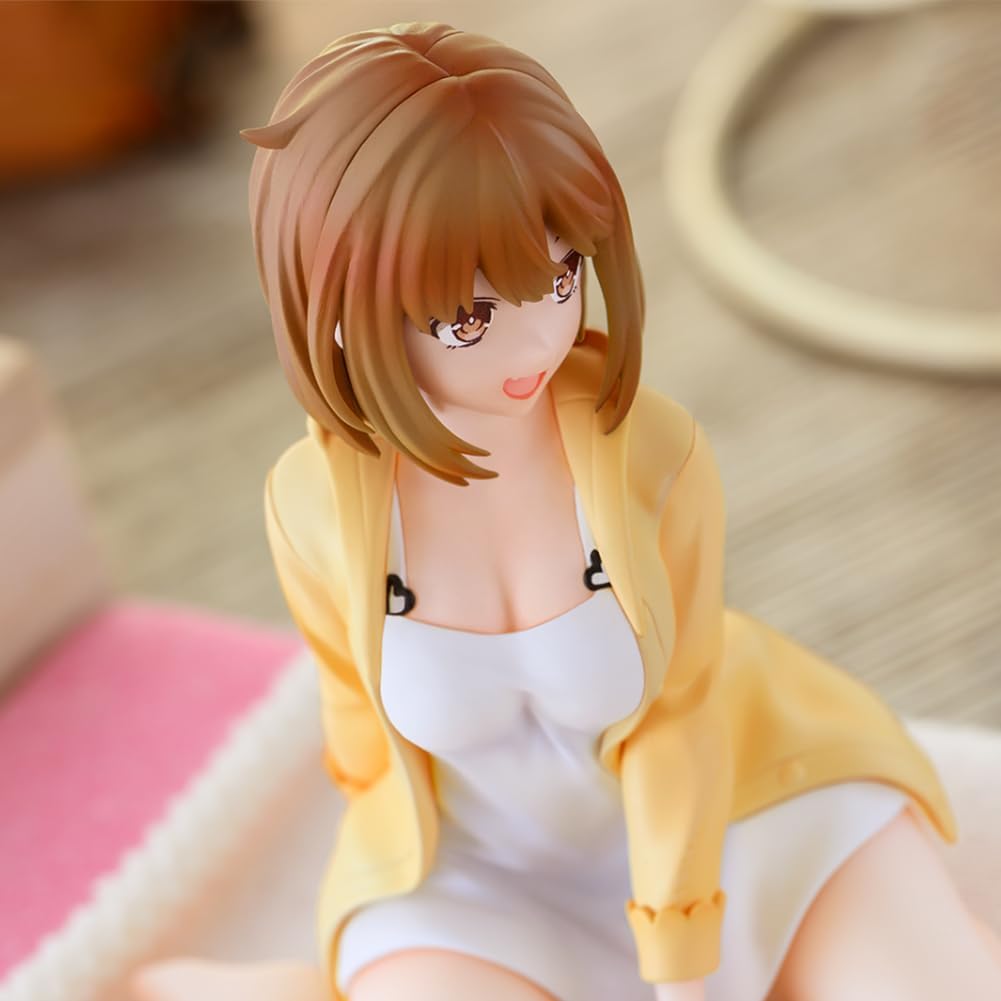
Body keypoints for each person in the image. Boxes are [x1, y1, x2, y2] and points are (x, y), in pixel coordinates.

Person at [133, 21, 1001, 1001]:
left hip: (743, 808)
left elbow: (680, 715)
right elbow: (357, 733)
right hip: (481, 886)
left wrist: (682, 970)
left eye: (557, 276)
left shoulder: (653, 455)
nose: (537, 343)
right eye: (468, 316)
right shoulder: (311, 510)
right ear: (339, 311)